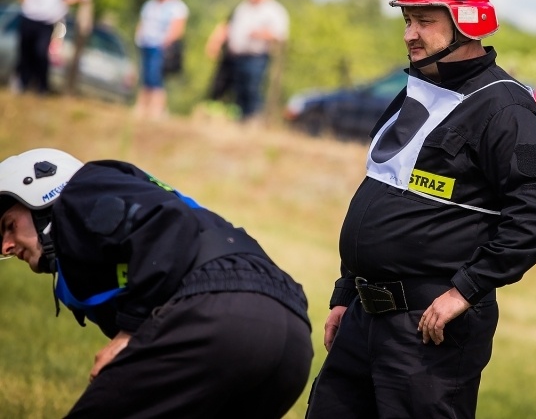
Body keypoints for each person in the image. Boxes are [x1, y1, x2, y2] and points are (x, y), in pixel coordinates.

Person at [305, 0, 536, 419]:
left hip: (428, 331)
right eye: (407, 19)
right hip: (363, 320)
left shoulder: (504, 108)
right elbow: (381, 196)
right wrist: (346, 295)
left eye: (425, 20)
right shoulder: (417, 90)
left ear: (466, 18)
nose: (410, 33)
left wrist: (466, 289)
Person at [0, 148, 313, 418]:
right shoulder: (103, 241)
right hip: (292, 340)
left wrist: (131, 330)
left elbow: (167, 225)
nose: (6, 247)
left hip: (222, 310)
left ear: (41, 191)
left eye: (9, 226)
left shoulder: (82, 190)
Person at [6, 0, 93, 94]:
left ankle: (41, 87)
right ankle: (22, 83)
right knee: (25, 53)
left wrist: (68, 1)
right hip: (29, 18)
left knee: (41, 53)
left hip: (47, 23)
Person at [215, 0, 289, 122]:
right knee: (238, 89)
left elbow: (280, 34)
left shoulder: (274, 10)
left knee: (252, 88)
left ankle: (253, 118)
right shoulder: (243, 7)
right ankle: (241, 119)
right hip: (237, 55)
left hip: (256, 56)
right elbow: (230, 26)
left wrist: (261, 34)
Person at [133, 0, 188, 120]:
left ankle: (157, 110)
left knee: (156, 77)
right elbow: (143, 22)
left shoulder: (177, 6)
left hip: (161, 46)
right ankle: (142, 107)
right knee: (145, 76)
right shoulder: (150, 4)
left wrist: (167, 42)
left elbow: (178, 28)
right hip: (146, 43)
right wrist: (138, 36)